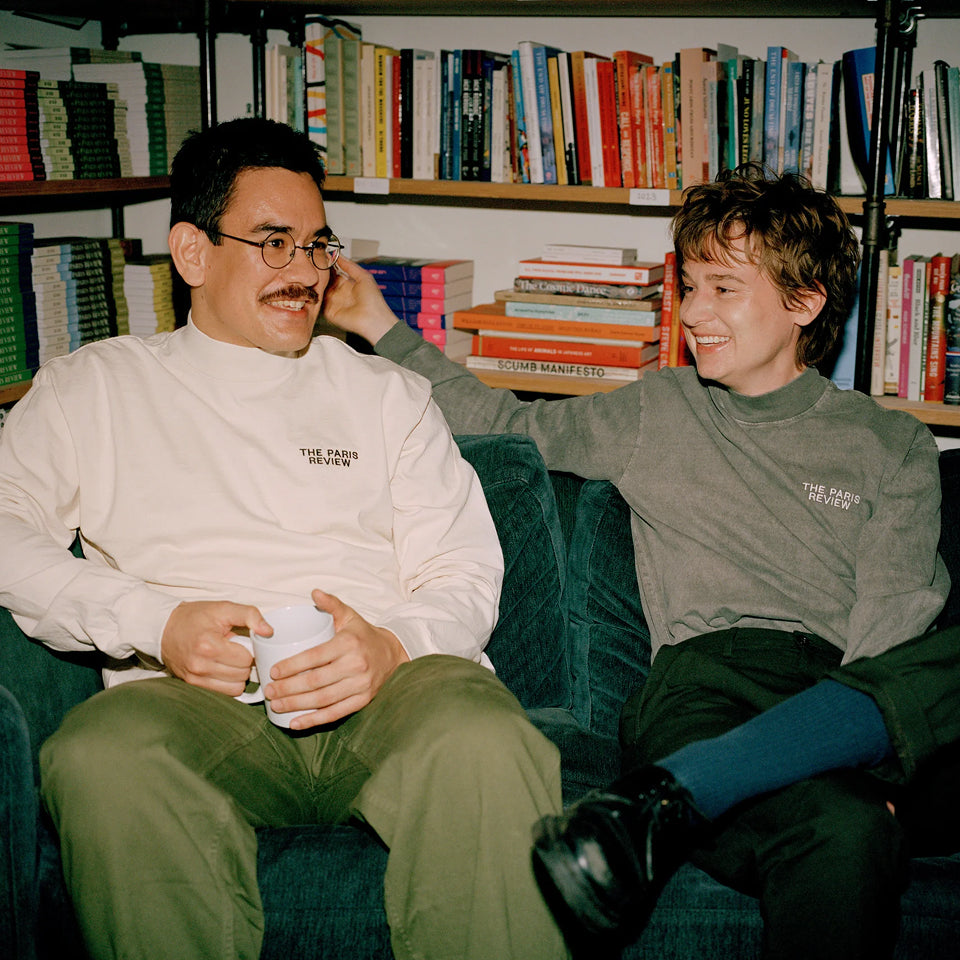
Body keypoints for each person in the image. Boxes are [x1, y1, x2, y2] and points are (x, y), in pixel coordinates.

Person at [323, 163, 960, 959]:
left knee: (857, 813)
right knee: (854, 823)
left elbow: (896, 613)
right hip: (706, 693)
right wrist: (380, 325)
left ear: (805, 302)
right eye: (689, 286)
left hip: (839, 693)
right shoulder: (660, 409)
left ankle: (667, 801)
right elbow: (499, 421)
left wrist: (856, 750)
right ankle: (691, 780)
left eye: (723, 289)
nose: (694, 313)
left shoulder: (892, 443)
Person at [0, 117, 569, 960]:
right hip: (195, 705)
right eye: (274, 243)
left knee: (486, 738)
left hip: (391, 695)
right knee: (98, 754)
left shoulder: (387, 395)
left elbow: (462, 571)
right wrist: (154, 622)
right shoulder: (95, 388)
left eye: (317, 245)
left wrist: (391, 646)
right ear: (192, 253)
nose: (305, 272)